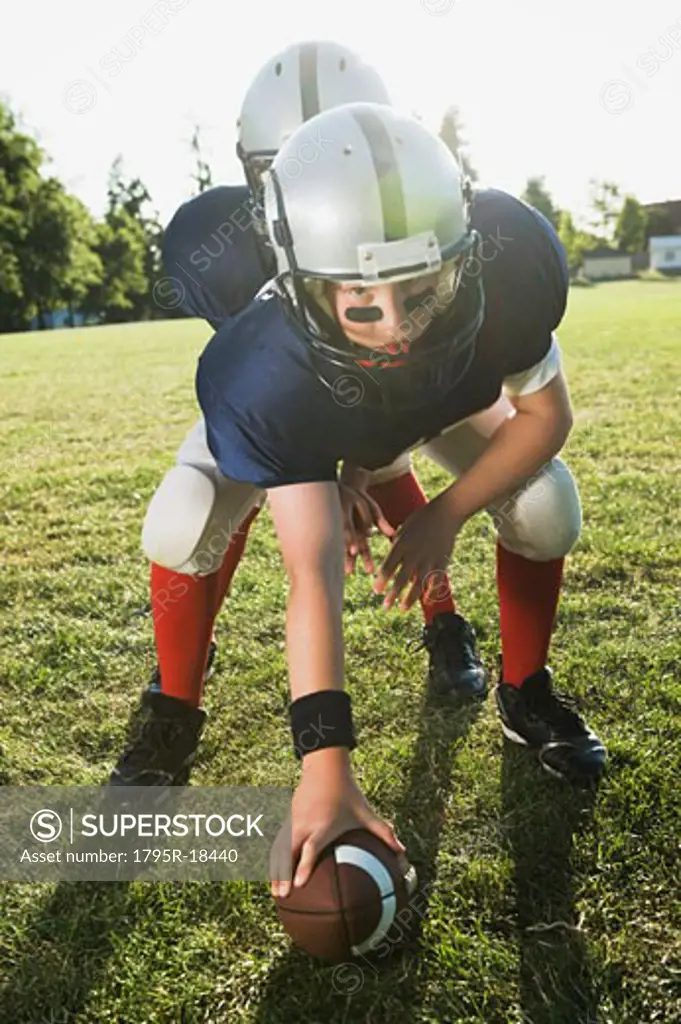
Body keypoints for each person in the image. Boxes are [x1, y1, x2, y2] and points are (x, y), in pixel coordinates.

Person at [179, 102, 608, 895]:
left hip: (442, 405)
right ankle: (171, 703)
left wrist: (445, 513)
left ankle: (526, 692)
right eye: (364, 303)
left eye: (425, 288)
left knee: (547, 507)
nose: (400, 328)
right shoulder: (265, 367)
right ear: (301, 280)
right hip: (328, 407)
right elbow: (312, 576)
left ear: (467, 253)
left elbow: (546, 417)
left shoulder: (509, 270)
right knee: (181, 518)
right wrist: (326, 766)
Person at [109, 44, 485, 789]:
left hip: (404, 391)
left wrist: (351, 469)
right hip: (288, 402)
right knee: (184, 516)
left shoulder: (428, 233)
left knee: (500, 491)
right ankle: (173, 703)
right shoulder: (217, 247)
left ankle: (446, 625)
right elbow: (271, 416)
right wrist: (316, 478)